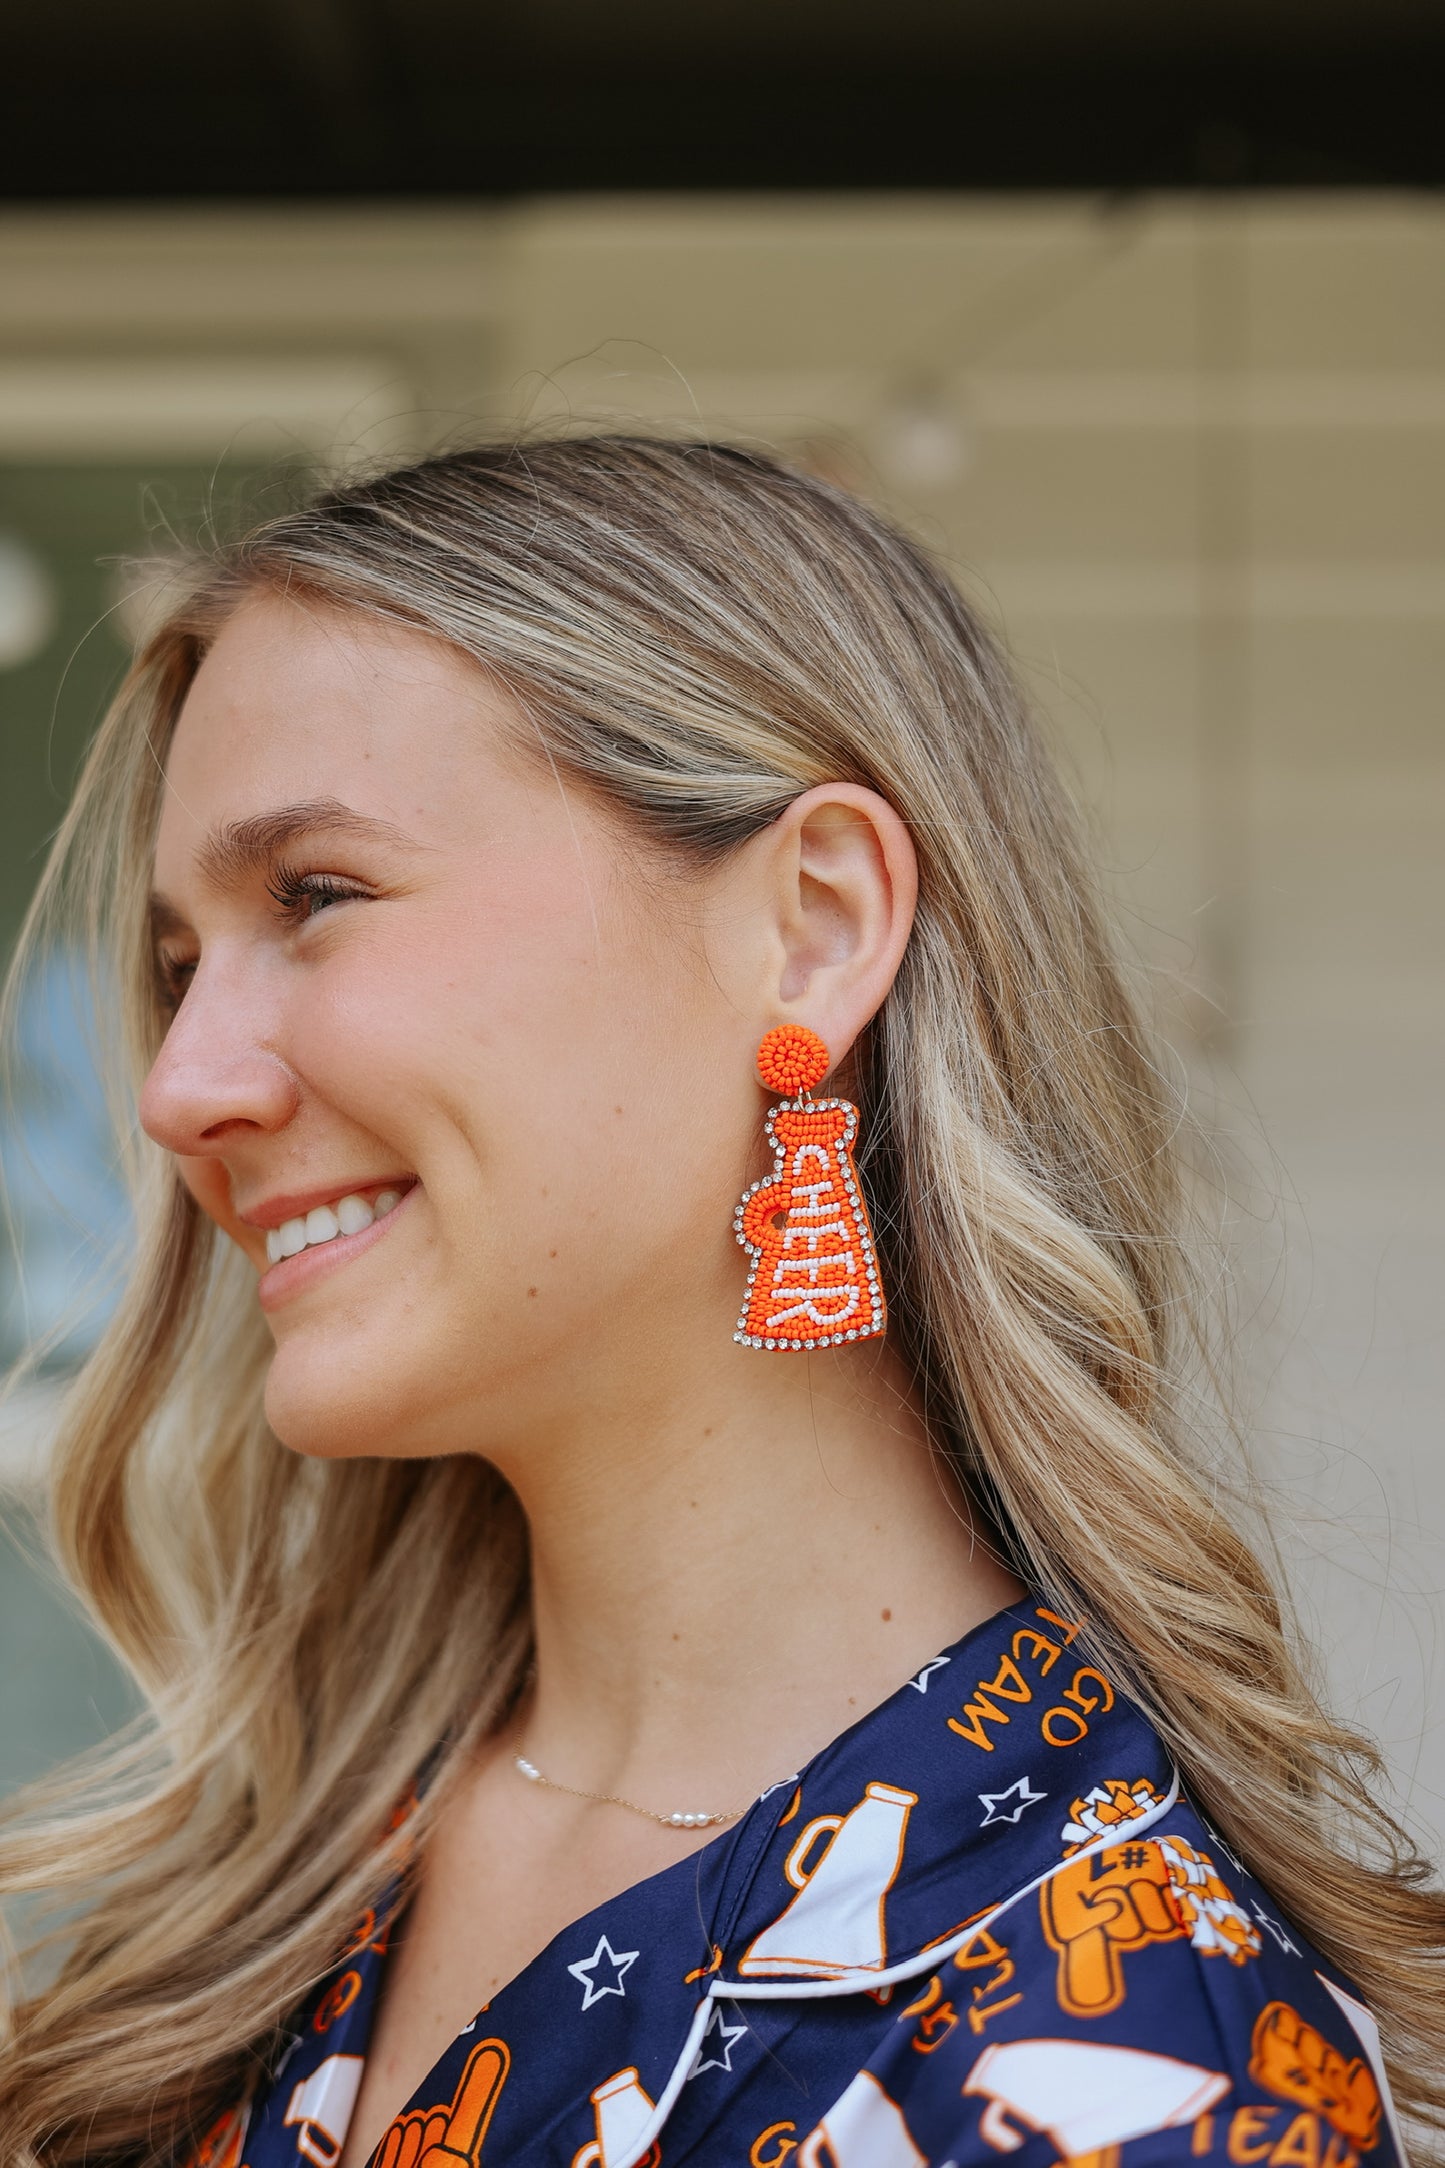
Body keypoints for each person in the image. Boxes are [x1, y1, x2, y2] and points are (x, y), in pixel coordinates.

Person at [0, 436, 1439, 2168]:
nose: (179, 1088)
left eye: (315, 897)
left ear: (815, 926)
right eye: (175, 970)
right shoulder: (276, 1884)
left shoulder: (1117, 2042)